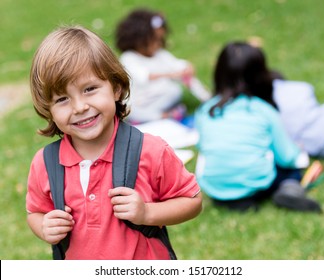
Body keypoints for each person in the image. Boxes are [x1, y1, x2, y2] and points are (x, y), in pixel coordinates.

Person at [26, 25, 202, 260]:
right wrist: (44, 227)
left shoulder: (150, 151)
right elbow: (35, 212)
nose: (80, 107)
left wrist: (147, 213)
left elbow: (192, 201)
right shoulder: (45, 163)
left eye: (90, 89)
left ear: (116, 88)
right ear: (48, 109)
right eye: (62, 99)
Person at [194, 41, 321, 212]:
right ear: (261, 75)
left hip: (215, 187)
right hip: (255, 184)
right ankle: (289, 189)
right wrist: (298, 152)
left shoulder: (205, 110)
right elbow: (288, 156)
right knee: (289, 169)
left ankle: (234, 200)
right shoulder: (262, 110)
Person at [114, 8, 210, 124]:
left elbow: (176, 64)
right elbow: (144, 76)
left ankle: (207, 99)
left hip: (157, 98)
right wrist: (171, 74)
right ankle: (162, 116)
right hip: (138, 101)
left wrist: (186, 68)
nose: (158, 43)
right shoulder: (128, 57)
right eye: (154, 40)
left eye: (160, 39)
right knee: (131, 111)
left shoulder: (160, 54)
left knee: (174, 90)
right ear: (138, 40)